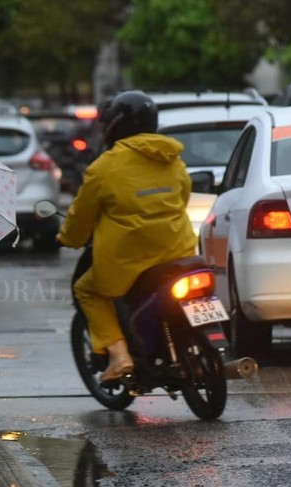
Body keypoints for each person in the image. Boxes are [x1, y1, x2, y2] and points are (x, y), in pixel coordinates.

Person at [57, 90, 197, 382]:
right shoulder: (172, 157)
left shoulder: (104, 168)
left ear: (114, 125)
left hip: (128, 260)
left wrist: (69, 239)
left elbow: (81, 217)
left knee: (87, 289)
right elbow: (183, 196)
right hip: (179, 250)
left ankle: (120, 356)